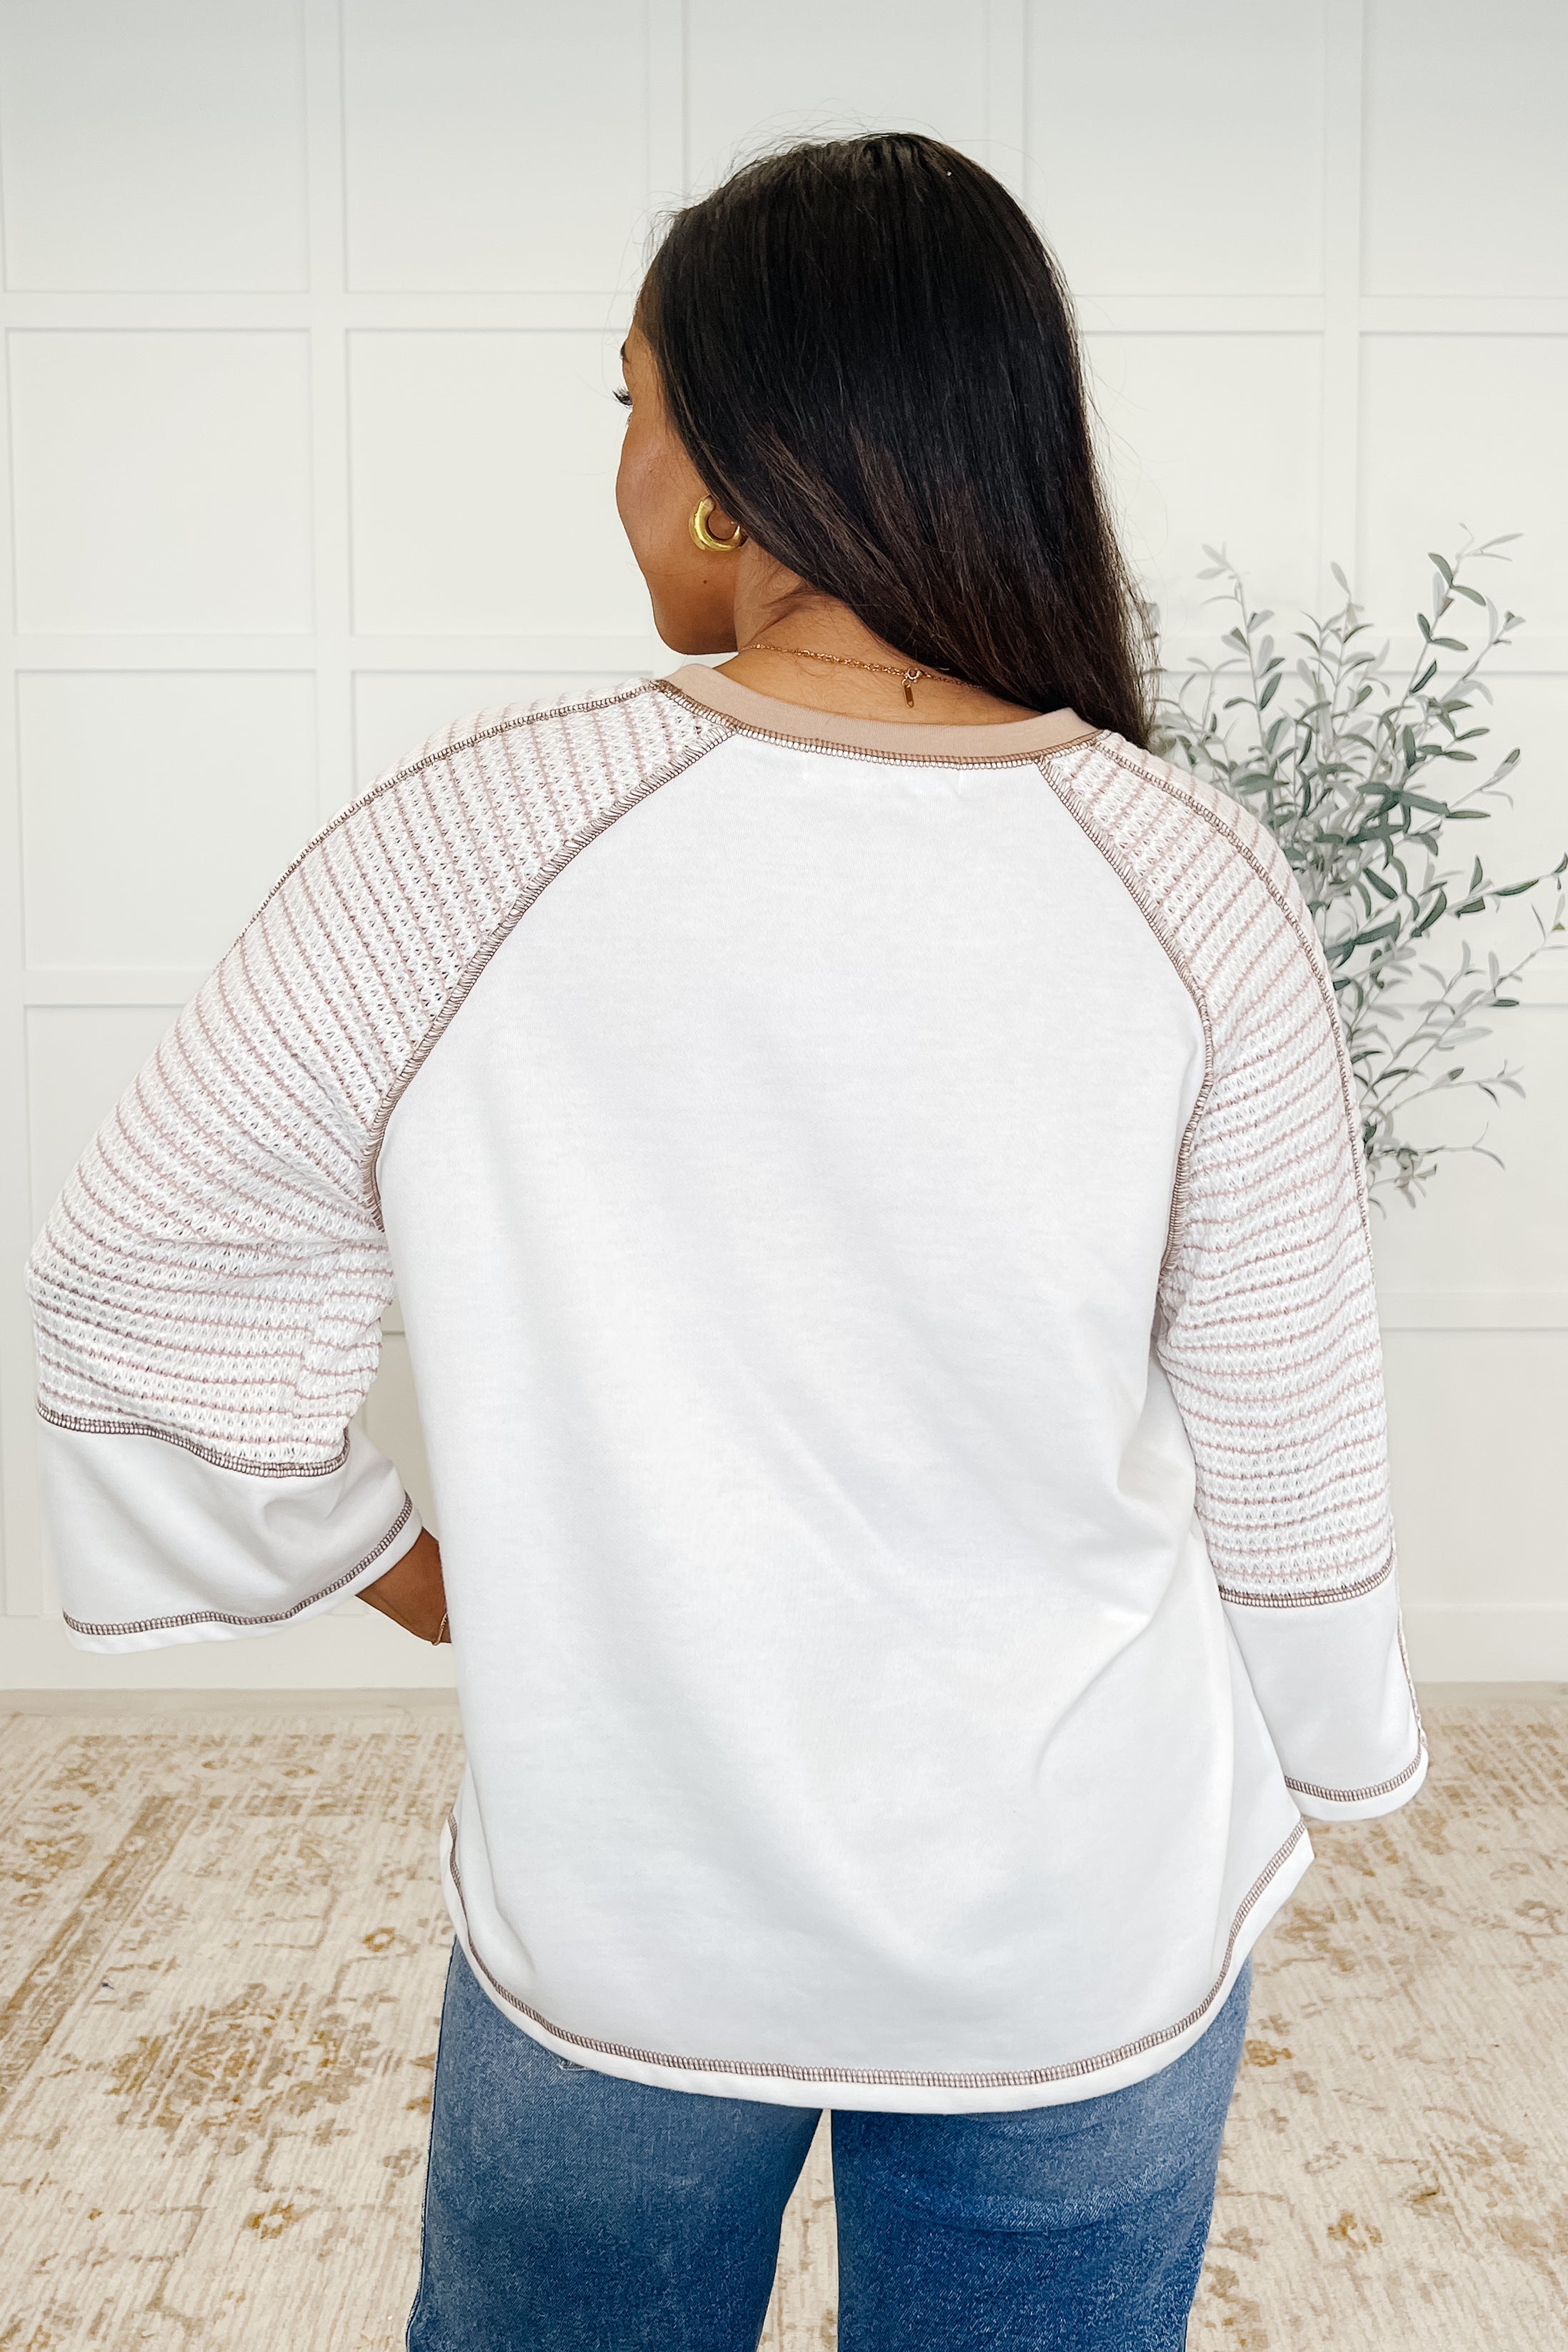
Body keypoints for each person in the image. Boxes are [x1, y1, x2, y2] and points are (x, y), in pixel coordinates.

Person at [27, 134, 1424, 2352]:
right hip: (1071, 1927)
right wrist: (1338, 1751)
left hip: (623, 1905)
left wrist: (424, 1573)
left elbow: (146, 1295)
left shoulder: (467, 834)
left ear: (735, 466)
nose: (619, 465)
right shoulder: (1187, 877)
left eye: (627, 403)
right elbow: (1288, 1447)